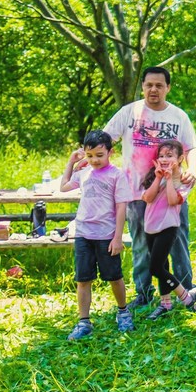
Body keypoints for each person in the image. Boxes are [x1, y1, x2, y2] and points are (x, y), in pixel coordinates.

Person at [103, 66, 196, 310]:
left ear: (168, 87)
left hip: (172, 193)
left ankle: (186, 290)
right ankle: (144, 294)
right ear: (143, 86)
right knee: (141, 245)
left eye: (159, 85)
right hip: (138, 193)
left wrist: (192, 169)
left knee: (178, 243)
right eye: (149, 85)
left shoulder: (179, 116)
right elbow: (105, 139)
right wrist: (87, 160)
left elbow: (191, 148)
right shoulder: (129, 112)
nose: (153, 89)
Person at [60, 130, 133, 340]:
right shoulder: (83, 172)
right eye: (90, 156)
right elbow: (64, 187)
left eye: (99, 155)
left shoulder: (117, 175)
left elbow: (121, 208)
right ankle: (84, 322)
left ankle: (123, 311)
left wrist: (117, 237)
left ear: (111, 152)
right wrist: (71, 163)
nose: (94, 160)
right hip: (84, 233)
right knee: (83, 279)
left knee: (114, 277)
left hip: (106, 235)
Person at [139, 140, 196, 320]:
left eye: (169, 156)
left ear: (180, 158)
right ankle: (165, 303)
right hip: (150, 225)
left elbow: (173, 201)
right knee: (162, 264)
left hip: (169, 226)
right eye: (161, 156)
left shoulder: (184, 179)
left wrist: (169, 179)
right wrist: (158, 177)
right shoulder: (153, 175)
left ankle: (187, 298)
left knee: (155, 268)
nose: (164, 159)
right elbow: (148, 198)